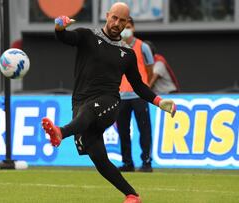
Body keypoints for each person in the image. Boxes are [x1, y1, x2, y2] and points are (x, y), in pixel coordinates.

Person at [41, 2, 176, 203]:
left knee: (89, 111)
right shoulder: (87, 36)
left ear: (127, 23)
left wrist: (158, 101)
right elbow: (65, 37)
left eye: (122, 20)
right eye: (114, 18)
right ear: (107, 16)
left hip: (109, 102)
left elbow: (138, 86)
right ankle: (132, 195)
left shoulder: (127, 54)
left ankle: (61, 132)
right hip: (80, 103)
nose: (117, 23)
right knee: (99, 158)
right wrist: (59, 26)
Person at [116, 16, 155, 173]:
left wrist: (146, 88)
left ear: (133, 27)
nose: (126, 28)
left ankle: (146, 162)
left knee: (144, 130)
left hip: (139, 96)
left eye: (128, 25)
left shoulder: (143, 47)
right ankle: (127, 162)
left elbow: (150, 69)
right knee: (123, 131)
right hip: (121, 96)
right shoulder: (116, 46)